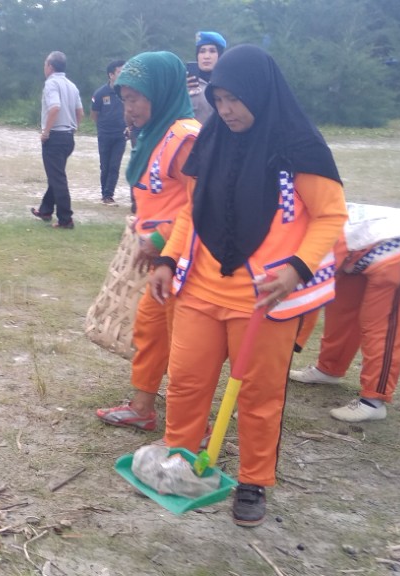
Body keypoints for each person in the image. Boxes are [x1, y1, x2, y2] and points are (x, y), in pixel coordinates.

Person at [147, 45, 347, 527]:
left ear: (259, 92)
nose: (226, 110)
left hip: (264, 301)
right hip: (199, 289)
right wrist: (167, 259)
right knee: (188, 381)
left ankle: (254, 482)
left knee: (258, 396)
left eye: (235, 99)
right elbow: (191, 212)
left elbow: (331, 215)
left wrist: (298, 267)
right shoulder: (212, 141)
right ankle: (180, 462)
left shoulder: (298, 146)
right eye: (218, 99)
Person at [94, 52, 200, 431]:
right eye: (124, 98)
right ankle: (142, 407)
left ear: (162, 91)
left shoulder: (186, 138)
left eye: (136, 98)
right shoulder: (156, 135)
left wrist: (160, 236)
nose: (129, 107)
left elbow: (202, 202)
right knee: (151, 330)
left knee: (187, 346)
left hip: (186, 260)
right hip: (162, 262)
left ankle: (193, 423)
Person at [289, 204, 400, 422]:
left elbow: (307, 297)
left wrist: (292, 344)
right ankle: (329, 370)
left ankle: (374, 400)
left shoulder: (317, 234)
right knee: (341, 312)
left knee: (383, 327)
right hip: (359, 252)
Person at [29, 51, 83, 229]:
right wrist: (73, 127)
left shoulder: (51, 83)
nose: (44, 67)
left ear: (50, 66)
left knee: (58, 178)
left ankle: (66, 219)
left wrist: (46, 131)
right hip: (68, 136)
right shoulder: (72, 85)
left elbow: (54, 108)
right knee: (56, 174)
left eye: (45, 64)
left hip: (55, 137)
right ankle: (45, 210)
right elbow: (80, 112)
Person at [90, 60, 127, 206]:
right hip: (105, 135)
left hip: (121, 134)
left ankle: (108, 195)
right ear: (111, 75)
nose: (123, 74)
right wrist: (103, 127)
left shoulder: (126, 92)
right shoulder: (100, 93)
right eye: (120, 72)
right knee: (104, 165)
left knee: (114, 166)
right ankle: (104, 193)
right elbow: (94, 114)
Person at [188, 31, 226, 125]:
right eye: (202, 51)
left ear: (220, 55)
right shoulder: (186, 84)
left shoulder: (227, 83)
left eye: (212, 51)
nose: (206, 56)